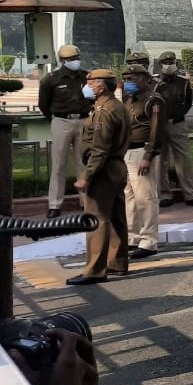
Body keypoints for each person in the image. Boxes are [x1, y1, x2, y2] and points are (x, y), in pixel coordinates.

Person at [67, 69, 131, 286]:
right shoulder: (118, 106)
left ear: (101, 86)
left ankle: (94, 270)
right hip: (116, 167)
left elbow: (99, 149)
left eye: (91, 82)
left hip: (103, 169)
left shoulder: (104, 111)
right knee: (116, 217)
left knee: (96, 219)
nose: (87, 86)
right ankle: (118, 262)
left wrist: (87, 175)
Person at [39, 44, 92, 219]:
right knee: (58, 164)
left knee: (83, 162)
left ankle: (87, 201)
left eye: (76, 58)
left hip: (84, 119)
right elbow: (43, 104)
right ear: (62, 61)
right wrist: (54, 119)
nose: (75, 62)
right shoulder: (51, 79)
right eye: (71, 60)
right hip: (61, 120)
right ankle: (54, 204)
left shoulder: (86, 76)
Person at [121, 65, 166, 260]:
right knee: (130, 197)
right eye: (125, 78)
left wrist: (149, 156)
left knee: (146, 197)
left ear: (145, 78)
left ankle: (148, 240)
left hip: (142, 151)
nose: (128, 82)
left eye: (132, 78)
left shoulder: (153, 100)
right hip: (127, 152)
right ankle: (132, 236)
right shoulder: (129, 100)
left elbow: (157, 130)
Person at [155, 51, 193, 208]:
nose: (169, 65)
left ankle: (191, 194)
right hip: (159, 125)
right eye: (166, 62)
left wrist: (178, 115)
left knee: (184, 160)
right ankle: (163, 194)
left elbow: (187, 103)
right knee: (160, 160)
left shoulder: (184, 83)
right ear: (160, 64)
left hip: (178, 123)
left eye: (172, 62)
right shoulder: (154, 83)